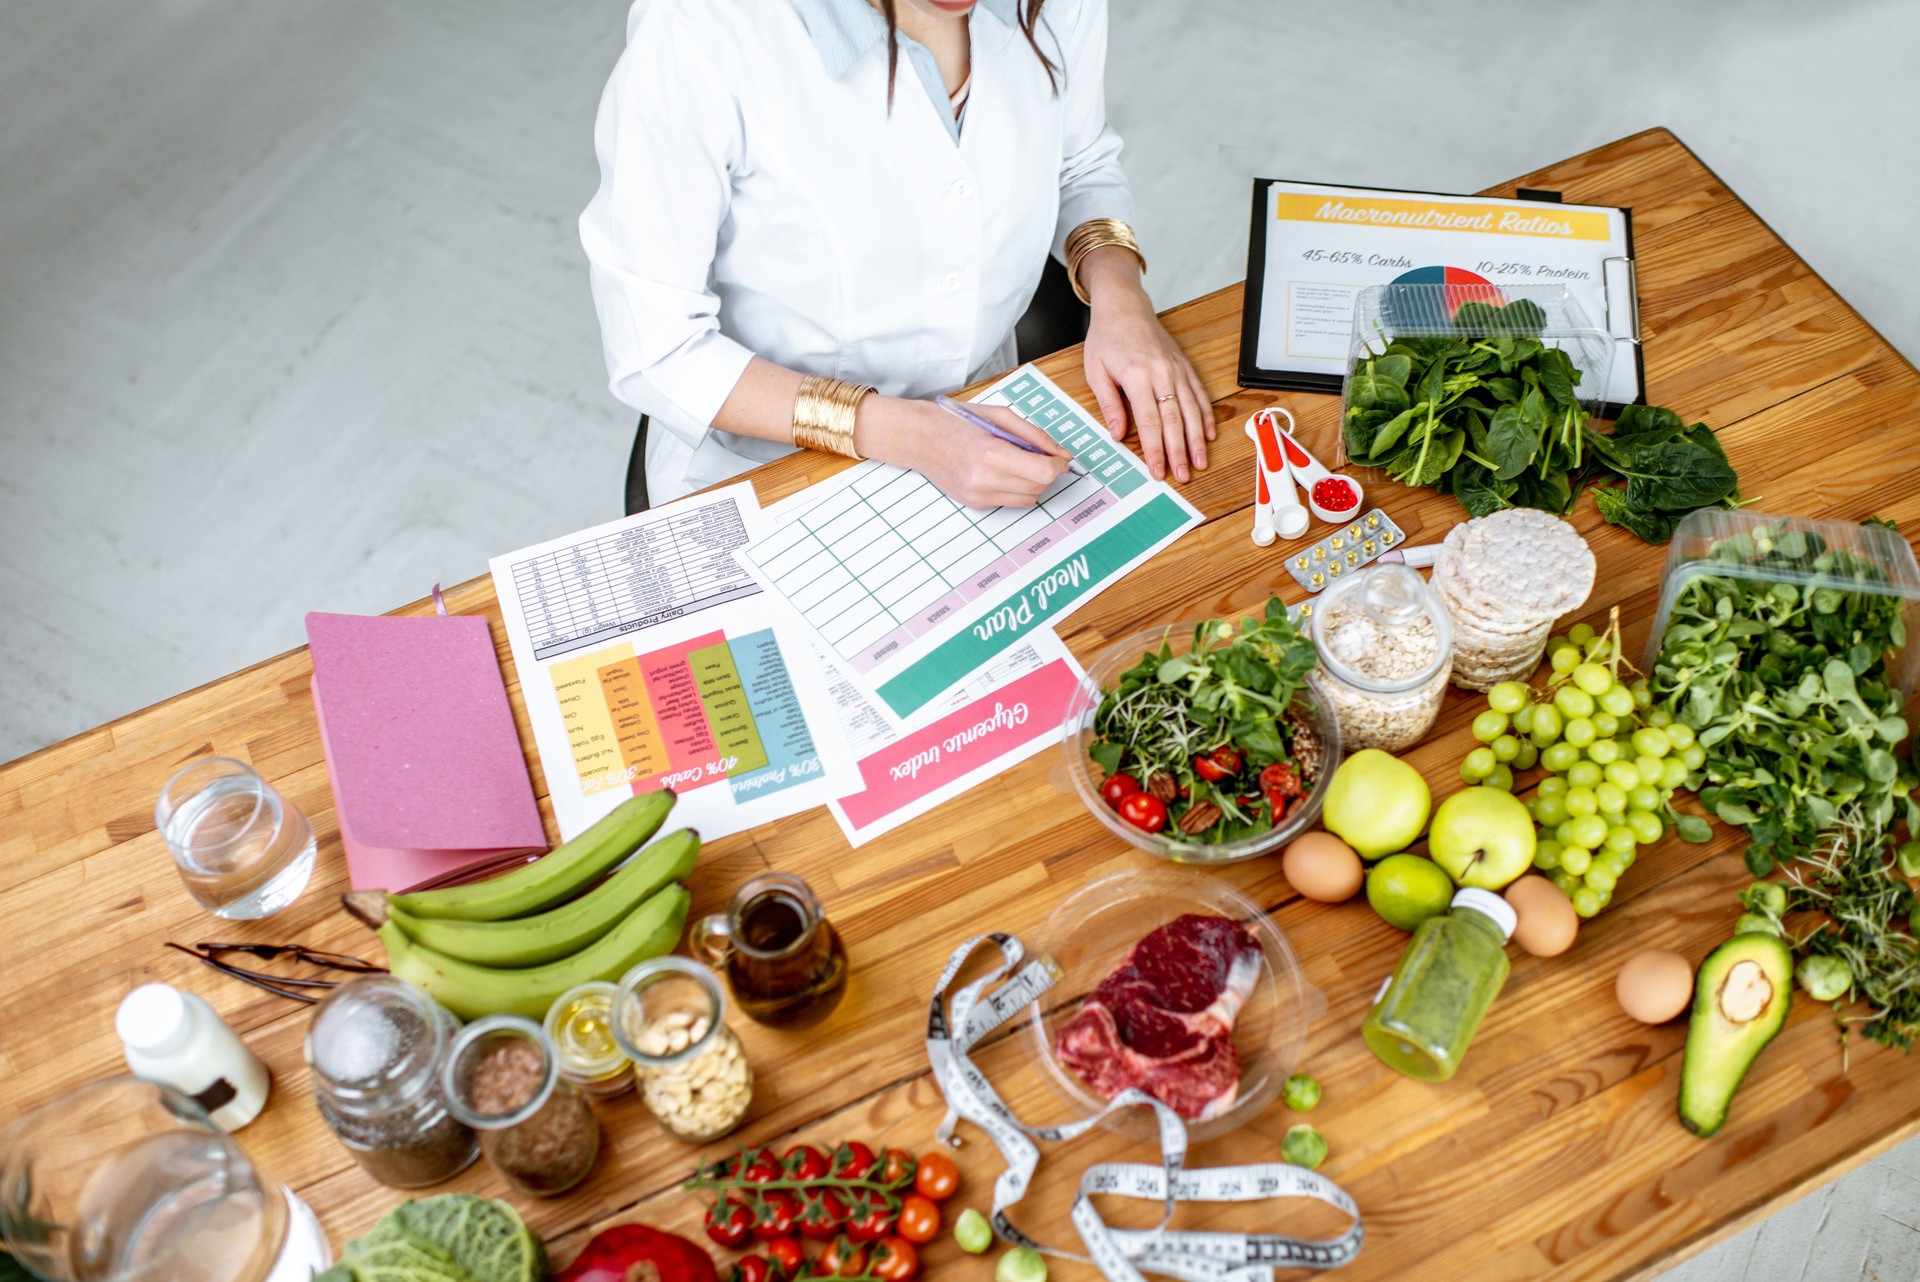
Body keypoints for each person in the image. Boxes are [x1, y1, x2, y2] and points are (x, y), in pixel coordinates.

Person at [580, 0, 1215, 511]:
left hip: (987, 424)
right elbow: (656, 348)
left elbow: (1080, 162)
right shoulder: (700, 30)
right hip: (769, 467)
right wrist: (910, 434)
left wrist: (1121, 298)